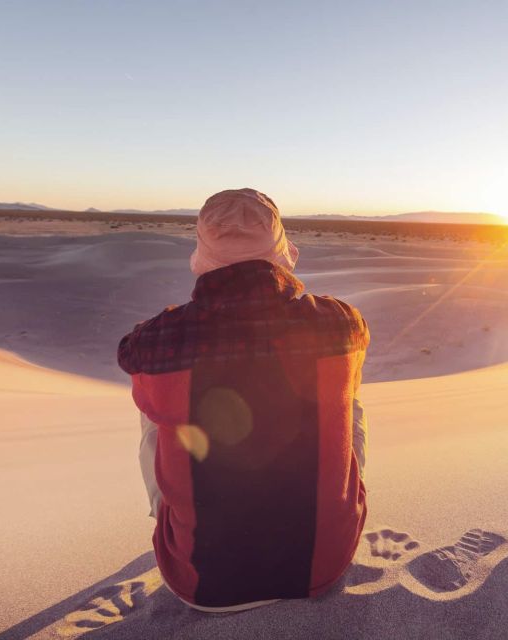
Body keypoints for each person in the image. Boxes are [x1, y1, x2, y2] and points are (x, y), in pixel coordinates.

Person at [117, 188, 369, 612]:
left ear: (201, 250)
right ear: (282, 249)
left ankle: (177, 525)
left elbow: (132, 354)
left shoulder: (156, 341)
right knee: (350, 401)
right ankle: (330, 512)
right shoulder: (341, 323)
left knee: (154, 415)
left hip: (201, 583)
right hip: (325, 565)